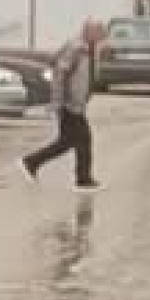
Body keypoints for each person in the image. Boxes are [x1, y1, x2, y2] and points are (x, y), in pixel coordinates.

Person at [19, 19, 105, 192]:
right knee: (83, 139)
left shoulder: (88, 49)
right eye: (99, 32)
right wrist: (57, 102)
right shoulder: (75, 49)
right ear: (88, 31)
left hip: (76, 104)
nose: (101, 37)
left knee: (66, 141)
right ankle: (83, 179)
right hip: (69, 103)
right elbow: (59, 75)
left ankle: (31, 162)